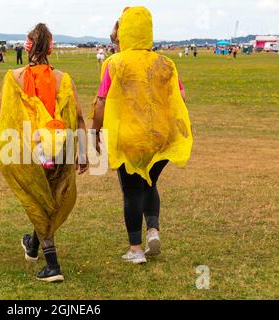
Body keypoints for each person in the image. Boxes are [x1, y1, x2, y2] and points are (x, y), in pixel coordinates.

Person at [91, 7, 193, 264]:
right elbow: (180, 97)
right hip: (161, 135)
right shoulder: (166, 63)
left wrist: (94, 132)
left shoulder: (114, 63)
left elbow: (101, 102)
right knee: (151, 182)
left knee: (132, 190)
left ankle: (135, 249)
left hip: (130, 137)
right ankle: (153, 230)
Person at [0, 23, 88, 282]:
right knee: (47, 198)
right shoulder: (62, 79)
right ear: (51, 48)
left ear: (27, 45)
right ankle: (32, 246)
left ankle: (52, 264)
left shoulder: (14, 77)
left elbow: (1, 115)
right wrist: (83, 153)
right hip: (58, 150)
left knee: (39, 201)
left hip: (26, 151)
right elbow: (76, 116)